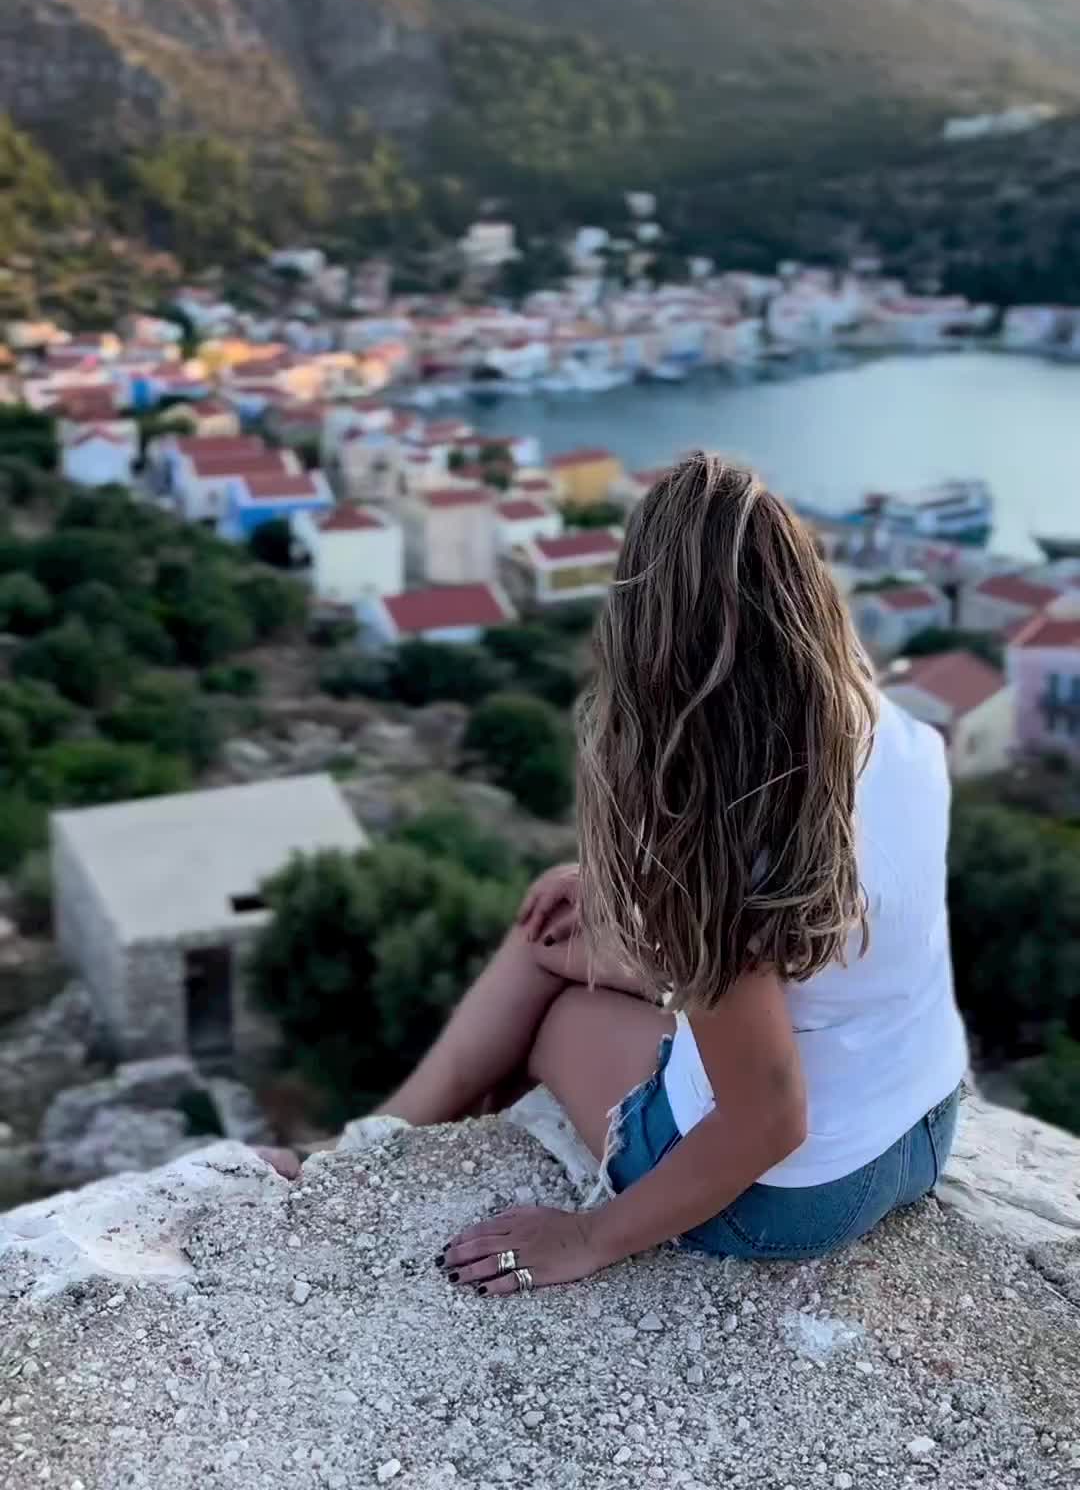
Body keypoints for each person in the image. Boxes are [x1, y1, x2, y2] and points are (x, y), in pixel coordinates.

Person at [275, 455, 968, 1296]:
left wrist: (588, 1237)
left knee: (555, 999)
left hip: (789, 1198)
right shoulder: (890, 729)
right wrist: (642, 909)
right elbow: (820, 956)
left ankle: (359, 1160)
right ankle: (376, 1145)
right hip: (925, 1128)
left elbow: (770, 1120)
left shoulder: (726, 836)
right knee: (563, 929)